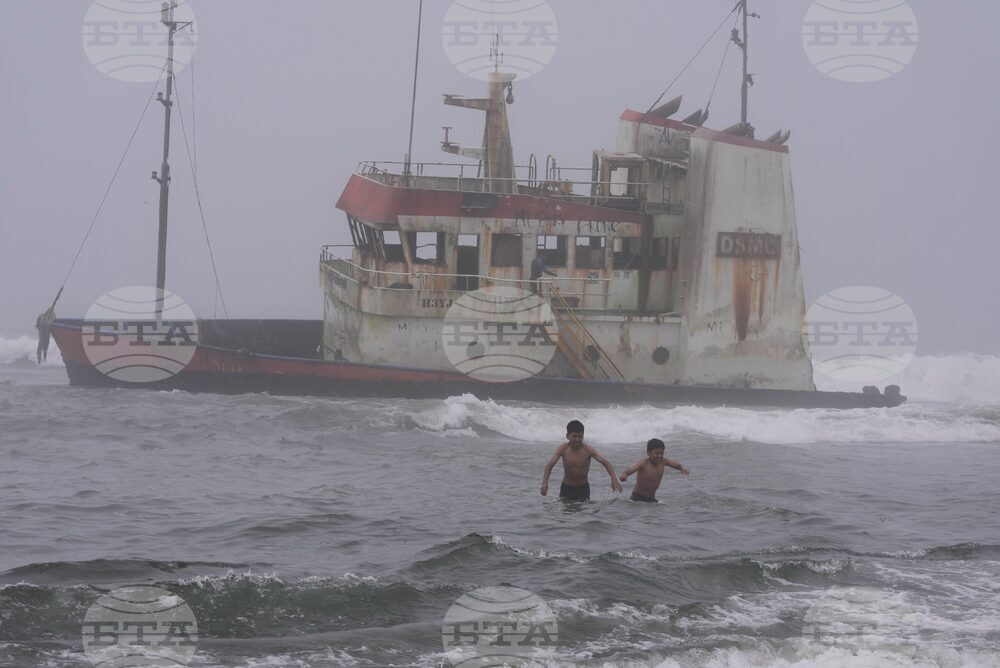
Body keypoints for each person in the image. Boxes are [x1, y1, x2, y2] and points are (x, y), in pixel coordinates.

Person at [540, 420, 623, 501]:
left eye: (580, 436)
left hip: (583, 488)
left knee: (584, 513)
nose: (577, 439)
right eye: (574, 436)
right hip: (566, 487)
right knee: (565, 512)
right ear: (567, 436)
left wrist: (614, 480)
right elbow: (550, 465)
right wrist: (545, 483)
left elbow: (606, 463)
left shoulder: (588, 450)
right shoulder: (563, 449)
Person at [619, 438, 689, 502]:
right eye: (656, 453)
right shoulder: (643, 463)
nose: (659, 456)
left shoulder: (663, 461)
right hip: (637, 498)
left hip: (651, 499)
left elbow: (676, 465)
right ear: (648, 453)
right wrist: (624, 475)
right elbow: (628, 471)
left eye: (661, 453)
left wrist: (682, 468)